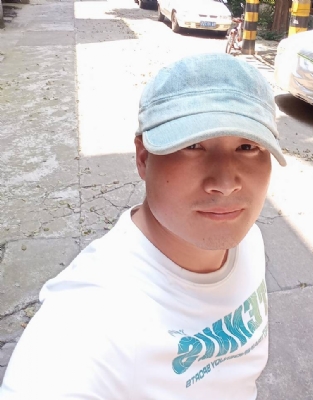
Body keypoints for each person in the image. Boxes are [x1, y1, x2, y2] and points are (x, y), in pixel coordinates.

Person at [0, 53, 286, 399]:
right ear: (143, 157)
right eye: (192, 145)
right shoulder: (86, 322)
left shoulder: (248, 240)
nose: (225, 184)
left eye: (247, 146)